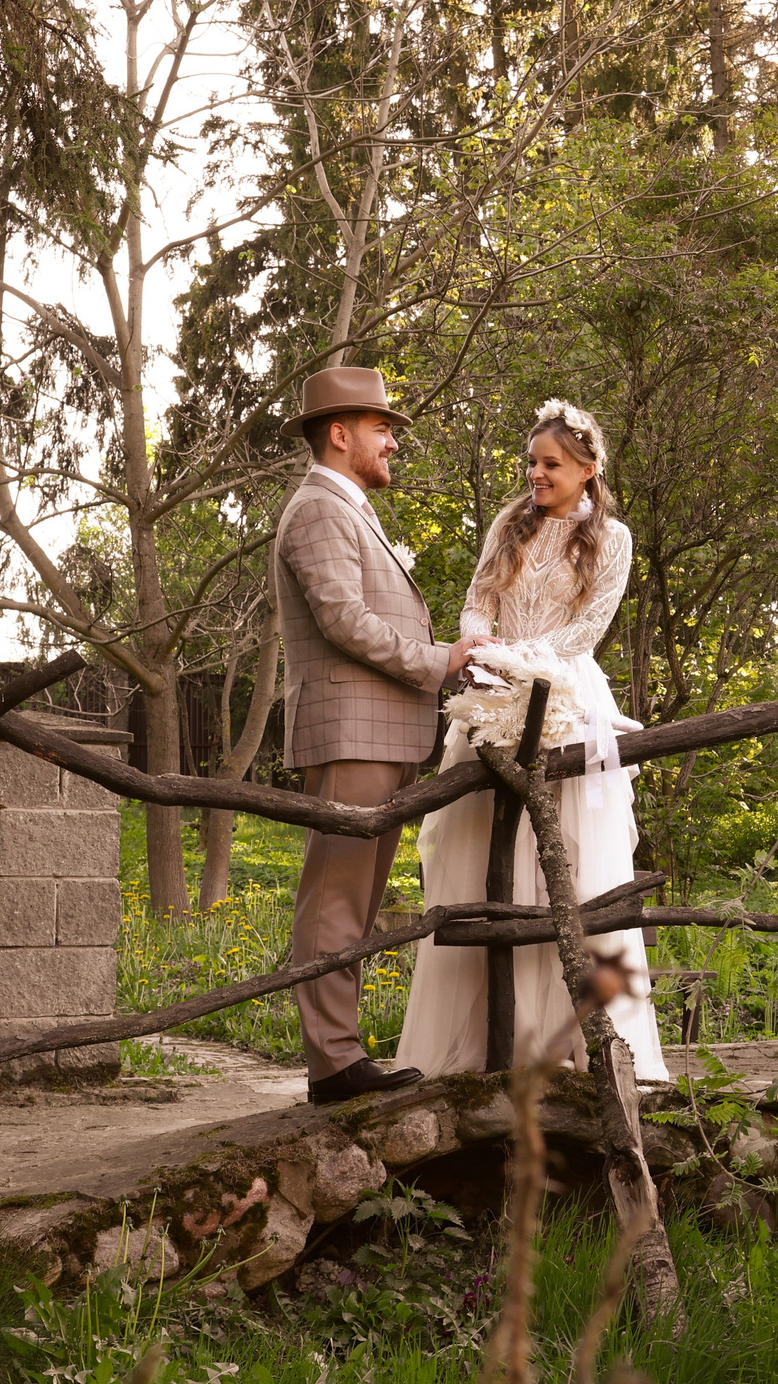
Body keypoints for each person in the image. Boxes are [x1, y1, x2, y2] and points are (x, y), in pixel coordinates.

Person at [394, 399, 670, 1081]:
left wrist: (522, 657)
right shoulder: (508, 523)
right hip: (491, 692)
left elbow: (587, 630)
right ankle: (481, 1042)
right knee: (470, 846)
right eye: (531, 463)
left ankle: (580, 1041)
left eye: (550, 464)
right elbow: (477, 597)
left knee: (572, 856)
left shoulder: (614, 538)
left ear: (587, 468)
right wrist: (481, 642)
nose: (536, 475)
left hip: (565, 693)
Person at [273, 365, 495, 1104]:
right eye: (381, 427)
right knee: (336, 898)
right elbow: (345, 621)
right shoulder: (317, 510)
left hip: (379, 734)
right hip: (350, 734)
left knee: (356, 902)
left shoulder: (350, 509)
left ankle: (340, 1055)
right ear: (340, 435)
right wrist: (439, 662)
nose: (393, 439)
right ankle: (333, 1064)